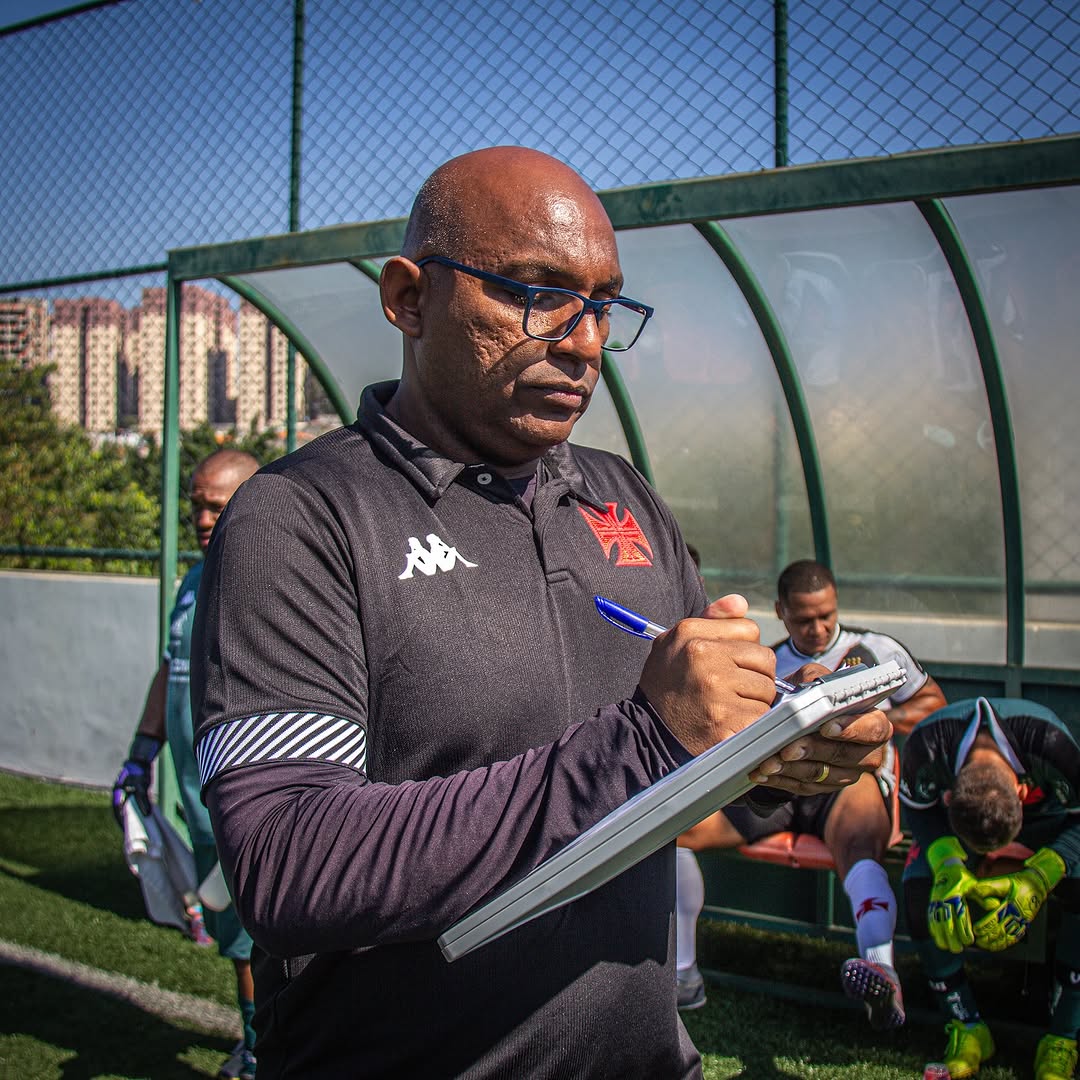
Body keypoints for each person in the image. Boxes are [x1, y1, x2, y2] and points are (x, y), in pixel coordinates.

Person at [189, 146, 892, 1079]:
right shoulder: (299, 518)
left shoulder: (622, 495)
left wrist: (781, 756)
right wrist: (641, 742)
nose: (586, 342)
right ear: (409, 299)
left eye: (603, 305)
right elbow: (289, 860)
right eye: (539, 295)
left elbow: (699, 755)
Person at [675, 558, 946, 1021]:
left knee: (857, 845)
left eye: (826, 615)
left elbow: (933, 707)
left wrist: (870, 719)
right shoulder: (767, 662)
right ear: (781, 612)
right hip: (781, 785)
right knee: (678, 832)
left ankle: (881, 971)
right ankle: (683, 974)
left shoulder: (877, 650)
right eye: (804, 619)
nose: (818, 629)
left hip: (847, 782)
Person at [113, 448, 260, 1080]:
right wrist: (141, 753)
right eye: (196, 505)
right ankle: (258, 1042)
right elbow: (169, 668)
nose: (201, 519)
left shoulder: (265, 579)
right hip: (201, 808)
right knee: (237, 941)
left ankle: (265, 1049)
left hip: (250, 808)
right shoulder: (193, 581)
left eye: (215, 507)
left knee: (262, 938)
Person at [900, 696, 1080, 1080]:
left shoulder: (1051, 744)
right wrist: (947, 866)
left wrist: (1040, 876)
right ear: (949, 795)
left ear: (1022, 791)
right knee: (918, 889)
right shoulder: (924, 747)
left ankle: (1064, 1037)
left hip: (1048, 824)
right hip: (957, 830)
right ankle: (966, 1025)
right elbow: (917, 810)